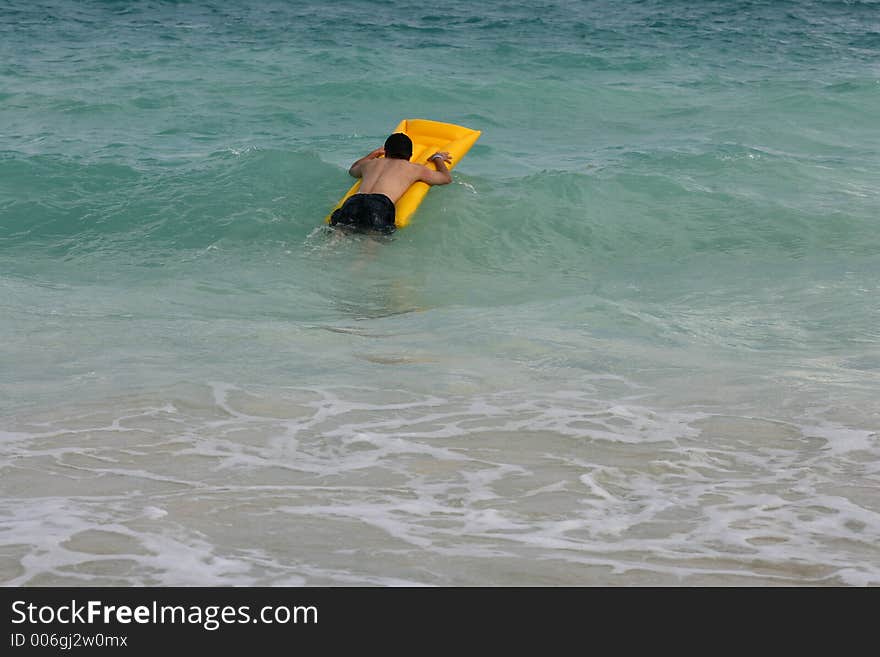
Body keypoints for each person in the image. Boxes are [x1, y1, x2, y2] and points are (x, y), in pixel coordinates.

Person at [329, 132, 453, 233]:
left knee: (338, 234)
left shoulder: (370, 163)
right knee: (370, 246)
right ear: (410, 155)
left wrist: (373, 154)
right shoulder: (414, 168)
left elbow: (353, 170)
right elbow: (446, 178)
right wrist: (438, 158)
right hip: (379, 205)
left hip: (354, 201)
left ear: (386, 152)